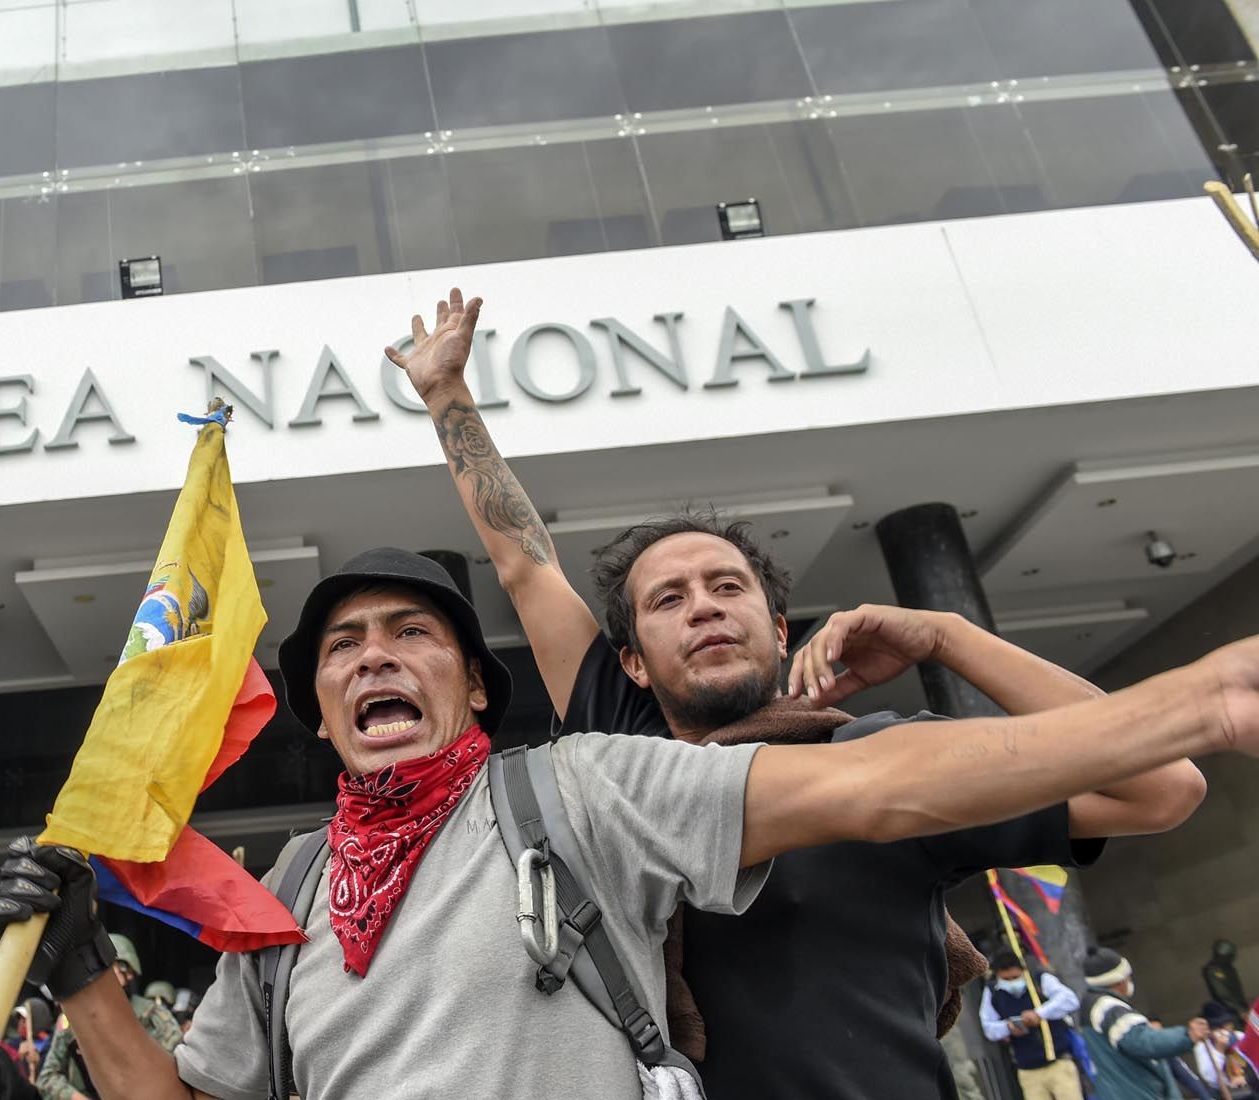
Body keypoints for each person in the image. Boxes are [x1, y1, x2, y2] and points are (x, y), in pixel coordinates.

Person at [0, 533, 1258, 1100]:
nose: (375, 658)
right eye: (344, 646)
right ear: (316, 701)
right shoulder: (292, 886)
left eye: (411, 633)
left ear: (471, 683)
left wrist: (1189, 699)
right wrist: (87, 971)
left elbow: (880, 787)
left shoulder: (582, 783)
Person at [396, 286, 1207, 1099]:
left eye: (726, 586)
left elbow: (1162, 788)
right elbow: (524, 564)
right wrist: (446, 397)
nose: (704, 605)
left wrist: (948, 637)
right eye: (668, 600)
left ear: (780, 629)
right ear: (632, 663)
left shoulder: (883, 760)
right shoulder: (625, 753)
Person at [38, 935, 182, 1100]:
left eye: (110, 969)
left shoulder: (151, 1015)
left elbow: (177, 1069)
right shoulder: (72, 1020)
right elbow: (47, 1078)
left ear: (128, 973)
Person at [1082, 947, 1211, 1100]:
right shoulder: (1109, 1009)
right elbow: (1142, 1040)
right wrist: (1187, 1035)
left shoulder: (1094, 1006)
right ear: (1119, 980)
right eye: (1128, 976)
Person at [980, 951, 1083, 1100]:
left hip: (1059, 1061)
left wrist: (1039, 1014)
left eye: (1015, 977)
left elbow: (1070, 1000)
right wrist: (1008, 1027)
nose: (1011, 982)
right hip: (1028, 1070)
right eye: (1006, 979)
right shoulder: (992, 992)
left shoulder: (1039, 980)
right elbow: (988, 1028)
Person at [1197, 1000, 1257, 1095]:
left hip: (1251, 1085)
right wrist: (1219, 1050)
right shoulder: (1203, 1047)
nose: (1223, 1031)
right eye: (1216, 1028)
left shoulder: (1239, 1036)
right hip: (1224, 1092)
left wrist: (1246, 1077)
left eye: (1225, 1026)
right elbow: (1210, 1078)